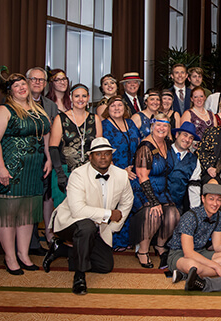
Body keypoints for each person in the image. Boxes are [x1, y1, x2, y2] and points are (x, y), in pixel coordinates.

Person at [45, 137, 134, 295]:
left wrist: (113, 226)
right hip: (69, 222)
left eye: (106, 154)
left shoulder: (120, 175)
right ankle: (79, 276)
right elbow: (78, 210)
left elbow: (128, 201)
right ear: (90, 157)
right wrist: (109, 214)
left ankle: (62, 249)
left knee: (105, 266)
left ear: (111, 156)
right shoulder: (78, 175)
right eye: (98, 154)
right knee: (86, 226)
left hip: (99, 227)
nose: (103, 157)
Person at [0, 72, 52, 275]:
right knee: (9, 214)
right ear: (10, 91)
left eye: (23, 83)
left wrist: (48, 157)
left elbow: (46, 133)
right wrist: (0, 167)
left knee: (26, 213)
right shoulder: (4, 110)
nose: (22, 87)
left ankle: (24, 255)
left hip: (34, 169)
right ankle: (10, 257)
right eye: (16, 86)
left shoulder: (37, 109)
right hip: (11, 167)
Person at [167, 183, 221, 282]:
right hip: (180, 254)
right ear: (203, 199)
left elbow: (217, 246)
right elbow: (188, 253)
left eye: (219, 200)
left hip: (201, 251)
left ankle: (186, 275)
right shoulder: (190, 217)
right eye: (211, 199)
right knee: (194, 266)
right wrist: (217, 267)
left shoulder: (218, 216)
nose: (215, 203)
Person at [130, 113, 179, 269]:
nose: (161, 128)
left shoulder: (167, 144)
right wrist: (153, 201)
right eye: (158, 124)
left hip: (162, 190)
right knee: (154, 214)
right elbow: (142, 177)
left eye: (165, 125)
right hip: (143, 190)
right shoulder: (145, 147)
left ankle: (159, 245)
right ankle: (143, 251)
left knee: (173, 215)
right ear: (151, 126)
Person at [49, 84, 102, 207]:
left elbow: (98, 148)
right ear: (71, 98)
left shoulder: (95, 119)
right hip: (65, 172)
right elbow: (53, 148)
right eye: (77, 96)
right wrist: (60, 174)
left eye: (84, 96)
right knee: (64, 212)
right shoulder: (60, 118)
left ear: (88, 98)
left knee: (88, 211)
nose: (80, 99)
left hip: (89, 173)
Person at [100, 96, 141, 251]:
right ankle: (115, 240)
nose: (116, 108)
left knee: (132, 204)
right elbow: (103, 152)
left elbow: (138, 145)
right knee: (117, 205)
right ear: (107, 109)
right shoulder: (104, 125)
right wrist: (120, 171)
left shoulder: (130, 123)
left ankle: (131, 238)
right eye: (113, 106)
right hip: (113, 172)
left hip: (132, 171)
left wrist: (134, 167)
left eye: (120, 105)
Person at [26, 66, 60, 253]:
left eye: (41, 80)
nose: (37, 83)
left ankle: (47, 235)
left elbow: (53, 135)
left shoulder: (51, 106)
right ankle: (30, 243)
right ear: (27, 81)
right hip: (25, 160)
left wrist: (51, 159)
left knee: (46, 198)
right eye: (34, 79)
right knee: (29, 201)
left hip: (46, 160)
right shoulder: (15, 102)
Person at [167, 121, 203, 214]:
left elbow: (194, 188)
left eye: (191, 138)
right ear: (177, 135)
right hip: (157, 204)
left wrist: (195, 212)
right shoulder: (164, 151)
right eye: (185, 135)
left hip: (177, 207)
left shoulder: (194, 161)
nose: (187, 140)